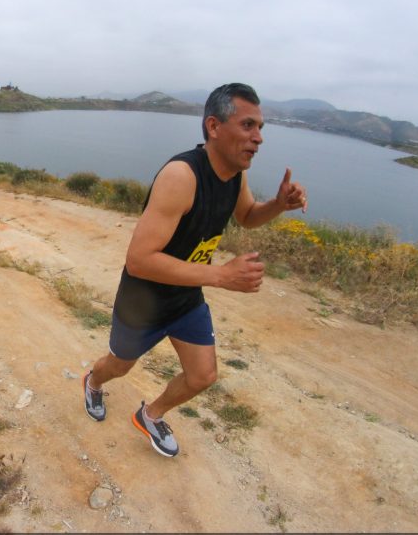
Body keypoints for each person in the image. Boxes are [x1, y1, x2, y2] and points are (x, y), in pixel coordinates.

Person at [83, 83, 307, 458]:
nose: (258, 138)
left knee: (203, 375)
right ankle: (92, 383)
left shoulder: (235, 173)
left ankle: (150, 415)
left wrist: (278, 205)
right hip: (144, 300)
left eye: (261, 128)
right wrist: (221, 275)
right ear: (214, 127)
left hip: (186, 297)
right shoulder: (182, 176)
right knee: (119, 366)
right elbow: (139, 259)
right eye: (248, 125)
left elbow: (248, 216)